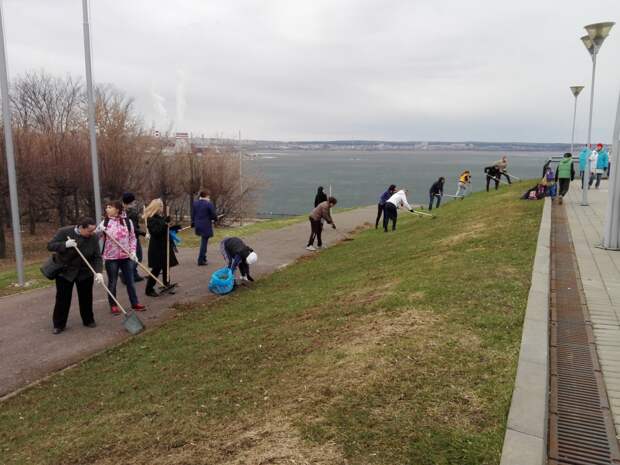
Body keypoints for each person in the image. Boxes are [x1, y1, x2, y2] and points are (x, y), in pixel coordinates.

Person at [47, 217, 103, 334]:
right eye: (89, 231)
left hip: (84, 272)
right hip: (65, 272)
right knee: (63, 299)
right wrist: (65, 245)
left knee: (86, 297)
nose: (92, 233)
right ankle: (59, 324)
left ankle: (88, 320)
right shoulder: (64, 232)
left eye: (93, 230)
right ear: (81, 228)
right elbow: (50, 245)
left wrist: (98, 272)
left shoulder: (93, 237)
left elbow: (97, 257)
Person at [98, 200, 145, 314]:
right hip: (111, 258)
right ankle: (113, 305)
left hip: (126, 256)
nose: (107, 209)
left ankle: (135, 303)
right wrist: (99, 230)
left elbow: (132, 238)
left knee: (130, 281)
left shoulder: (127, 222)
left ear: (117, 209)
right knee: (112, 282)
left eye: (110, 207)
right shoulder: (104, 223)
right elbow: (94, 237)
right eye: (107, 207)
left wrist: (133, 252)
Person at [144, 198, 179, 297]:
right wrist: (164, 223)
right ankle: (149, 289)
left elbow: (164, 228)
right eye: (160, 206)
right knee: (156, 268)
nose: (162, 208)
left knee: (166, 266)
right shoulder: (151, 219)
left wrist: (172, 227)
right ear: (156, 207)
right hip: (157, 248)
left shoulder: (160, 217)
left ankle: (166, 284)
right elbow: (156, 232)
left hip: (165, 246)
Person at [122, 192, 145, 282]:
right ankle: (125, 274)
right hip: (133, 238)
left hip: (124, 238)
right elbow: (133, 228)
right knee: (138, 256)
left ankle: (134, 274)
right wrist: (144, 233)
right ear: (132, 201)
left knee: (130, 256)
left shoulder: (121, 211)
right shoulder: (132, 213)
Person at [191, 191, 217, 266]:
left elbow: (193, 214)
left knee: (204, 241)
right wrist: (215, 219)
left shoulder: (195, 203)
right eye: (208, 196)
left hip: (198, 225)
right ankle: (200, 260)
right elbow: (213, 214)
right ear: (206, 196)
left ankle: (203, 257)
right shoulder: (208, 204)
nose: (209, 198)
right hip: (205, 226)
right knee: (204, 242)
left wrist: (193, 222)